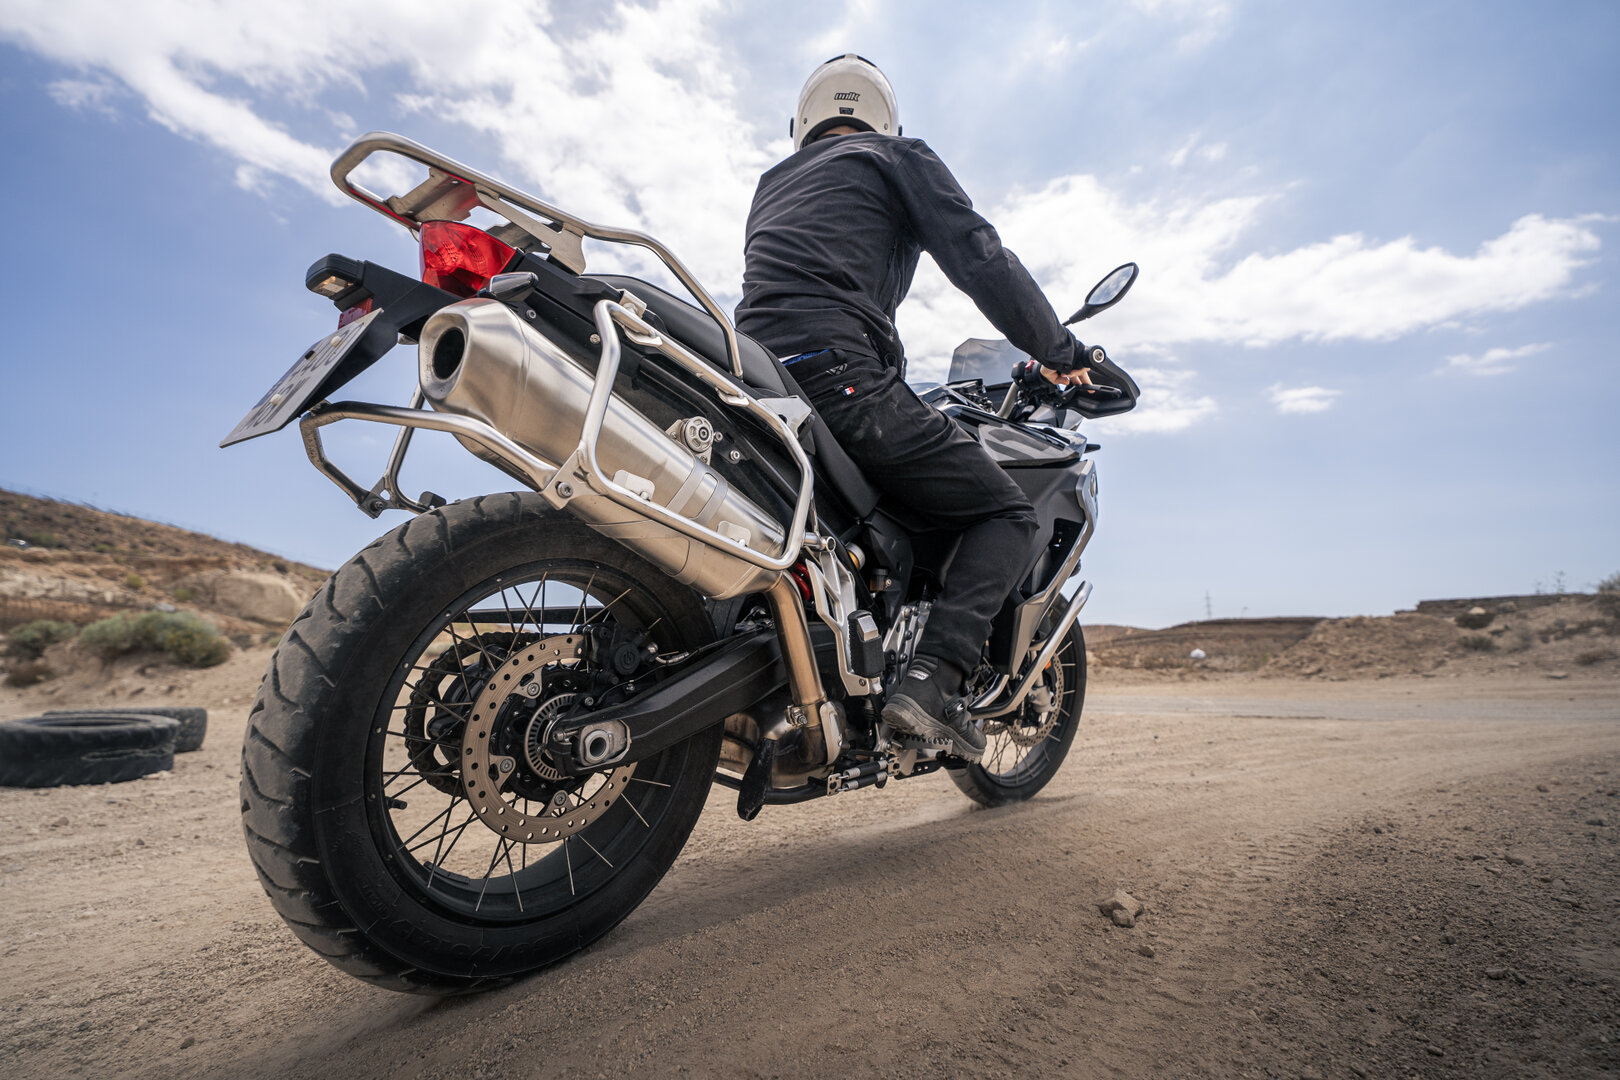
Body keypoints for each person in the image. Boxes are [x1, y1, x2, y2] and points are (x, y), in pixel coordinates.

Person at [735, 53, 1093, 762]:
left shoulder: (773, 185)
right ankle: (933, 683)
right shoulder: (895, 156)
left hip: (757, 385)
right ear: (886, 120)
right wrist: (1060, 349)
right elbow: (980, 257)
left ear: (803, 123)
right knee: (1005, 513)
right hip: (842, 379)